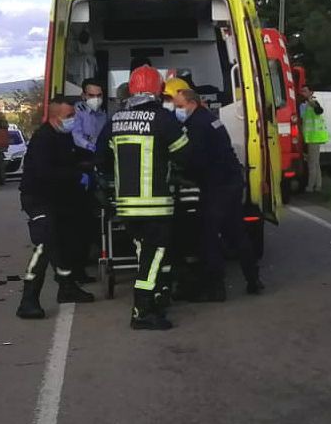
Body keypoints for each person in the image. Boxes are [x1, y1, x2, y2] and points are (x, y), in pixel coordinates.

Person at [96, 62, 192, 331]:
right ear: (158, 90)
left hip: (126, 208)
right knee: (155, 256)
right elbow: (185, 155)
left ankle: (157, 297)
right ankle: (142, 310)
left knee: (146, 256)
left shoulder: (115, 120)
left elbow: (99, 158)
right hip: (156, 205)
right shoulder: (163, 119)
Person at [171, 88, 263, 299]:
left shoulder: (197, 125)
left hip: (217, 185)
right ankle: (253, 279)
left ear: (192, 103)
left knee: (209, 235)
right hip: (230, 182)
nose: (177, 110)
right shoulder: (210, 119)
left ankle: (215, 288)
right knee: (236, 232)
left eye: (179, 106)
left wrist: (182, 174)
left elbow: (197, 159)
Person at [16, 100, 96, 319]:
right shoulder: (43, 139)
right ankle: (28, 300)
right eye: (69, 115)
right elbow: (46, 172)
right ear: (54, 117)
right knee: (44, 244)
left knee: (65, 241)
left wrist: (91, 161)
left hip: (57, 199)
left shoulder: (62, 136)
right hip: (38, 198)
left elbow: (71, 158)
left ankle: (67, 286)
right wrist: (76, 175)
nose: (74, 118)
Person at [70, 78, 108, 284]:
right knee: (80, 218)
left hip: (96, 163)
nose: (96, 99)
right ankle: (78, 266)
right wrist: (91, 146)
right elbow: (76, 136)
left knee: (96, 214)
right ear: (84, 96)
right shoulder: (78, 112)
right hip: (81, 162)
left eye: (99, 96)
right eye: (91, 96)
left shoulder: (102, 115)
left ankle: (93, 252)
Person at [300, 85, 326, 192]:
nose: (303, 93)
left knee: (312, 163)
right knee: (315, 163)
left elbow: (319, 110)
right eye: (302, 91)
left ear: (311, 92)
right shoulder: (305, 105)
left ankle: (311, 186)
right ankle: (318, 185)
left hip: (314, 138)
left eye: (305, 91)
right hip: (311, 137)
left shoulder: (313, 103)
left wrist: (311, 102)